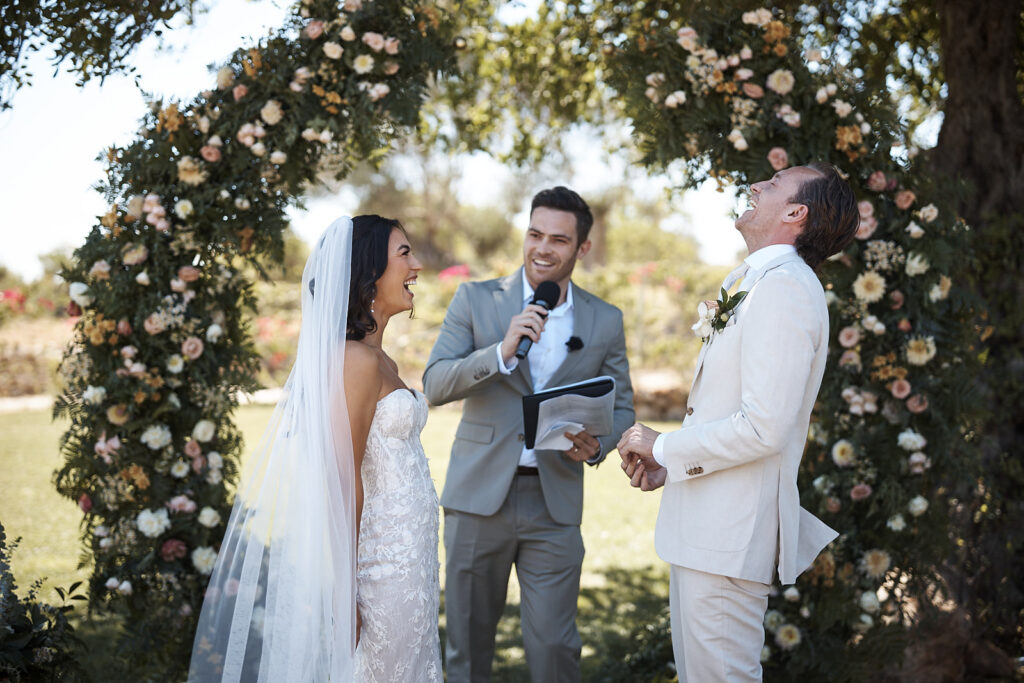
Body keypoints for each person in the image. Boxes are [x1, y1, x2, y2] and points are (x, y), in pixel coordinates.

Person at [617, 163, 859, 681]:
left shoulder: (786, 287)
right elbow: (728, 413)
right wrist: (674, 470)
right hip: (706, 532)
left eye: (772, 184)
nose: (755, 186)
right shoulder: (751, 280)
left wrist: (665, 448)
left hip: (730, 539)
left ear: (797, 213)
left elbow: (764, 426)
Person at [188, 215, 441, 682]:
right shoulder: (355, 362)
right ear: (368, 271)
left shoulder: (381, 359)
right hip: (379, 572)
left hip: (412, 562)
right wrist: (346, 596)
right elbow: (339, 481)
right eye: (404, 254)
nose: (417, 265)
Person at [424, 186, 635, 682]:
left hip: (554, 502)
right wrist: (499, 352)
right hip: (477, 500)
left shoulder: (605, 320)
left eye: (558, 240)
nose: (542, 248)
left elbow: (622, 407)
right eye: (535, 234)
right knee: (467, 649)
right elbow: (433, 385)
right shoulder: (475, 299)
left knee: (555, 648)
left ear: (581, 248)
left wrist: (599, 445)